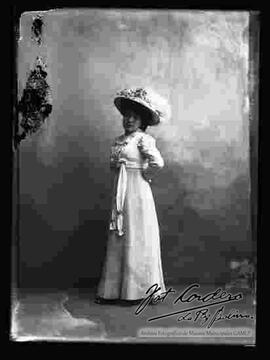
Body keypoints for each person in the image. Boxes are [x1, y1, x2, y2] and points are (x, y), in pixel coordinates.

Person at [95, 88, 169, 305]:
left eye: (135, 117)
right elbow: (113, 166)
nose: (129, 120)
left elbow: (158, 163)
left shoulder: (143, 139)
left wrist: (144, 174)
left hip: (138, 193)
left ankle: (137, 291)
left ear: (142, 121)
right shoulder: (119, 140)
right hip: (122, 191)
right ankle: (113, 291)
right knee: (120, 236)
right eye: (126, 115)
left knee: (138, 236)